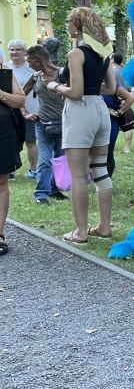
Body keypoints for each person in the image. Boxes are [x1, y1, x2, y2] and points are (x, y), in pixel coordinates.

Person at [48, 7, 117, 244]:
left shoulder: (76, 53)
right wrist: (88, 88)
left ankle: (80, 232)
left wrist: (55, 87)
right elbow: (110, 88)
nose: (67, 24)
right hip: (100, 109)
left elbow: (75, 93)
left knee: (78, 175)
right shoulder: (103, 52)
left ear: (78, 25)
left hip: (80, 112)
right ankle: (104, 227)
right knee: (100, 170)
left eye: (68, 21)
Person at [22, 45, 68, 204]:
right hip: (43, 126)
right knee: (45, 160)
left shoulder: (63, 74)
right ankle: (41, 194)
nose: (28, 65)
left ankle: (54, 189)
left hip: (64, 126)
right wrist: (26, 113)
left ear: (38, 59)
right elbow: (20, 96)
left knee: (61, 160)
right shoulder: (34, 77)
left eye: (30, 61)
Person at [0, 62, 26, 255]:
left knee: (1, 182)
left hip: (3, 130)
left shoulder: (4, 73)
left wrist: (1, 93)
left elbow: (19, 101)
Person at [8, 39, 38, 179]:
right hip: (10, 111)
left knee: (30, 140)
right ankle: (9, 170)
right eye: (12, 49)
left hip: (30, 110)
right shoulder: (5, 68)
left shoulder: (31, 68)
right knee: (10, 141)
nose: (14, 52)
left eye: (18, 49)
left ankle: (33, 169)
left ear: (24, 52)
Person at [100, 84, 134, 178]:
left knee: (108, 154)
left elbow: (130, 98)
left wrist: (118, 112)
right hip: (89, 125)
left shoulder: (111, 85)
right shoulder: (84, 82)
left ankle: (106, 181)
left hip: (110, 124)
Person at [110, 53, 134, 154]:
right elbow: (129, 88)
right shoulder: (125, 72)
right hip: (126, 101)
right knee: (127, 125)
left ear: (112, 60)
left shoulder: (110, 73)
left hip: (115, 101)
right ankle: (127, 147)